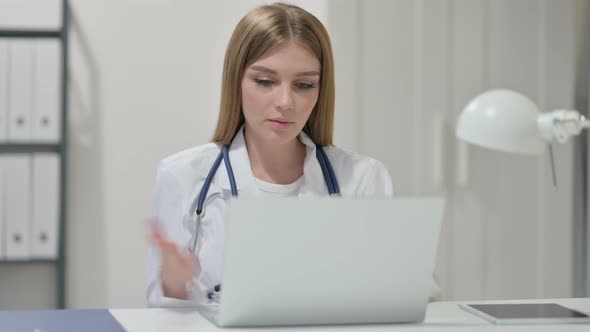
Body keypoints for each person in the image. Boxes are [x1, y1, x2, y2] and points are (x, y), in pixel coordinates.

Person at [147, 2, 440, 309]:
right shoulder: (182, 176)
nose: (286, 102)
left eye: (303, 85)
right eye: (265, 81)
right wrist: (175, 287)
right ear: (236, 81)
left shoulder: (363, 178)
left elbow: (409, 297)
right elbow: (161, 314)